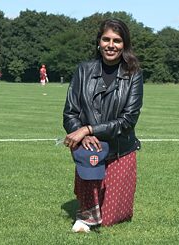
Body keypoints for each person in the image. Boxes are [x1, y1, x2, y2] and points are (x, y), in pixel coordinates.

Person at [63, 18, 143, 233]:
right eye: (106, 39)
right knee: (89, 219)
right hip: (91, 148)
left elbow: (128, 120)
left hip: (120, 149)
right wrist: (83, 135)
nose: (111, 45)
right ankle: (87, 209)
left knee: (109, 219)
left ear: (124, 44)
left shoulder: (133, 74)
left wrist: (88, 129)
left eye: (117, 40)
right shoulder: (83, 70)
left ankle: (98, 206)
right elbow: (70, 112)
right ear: (98, 42)